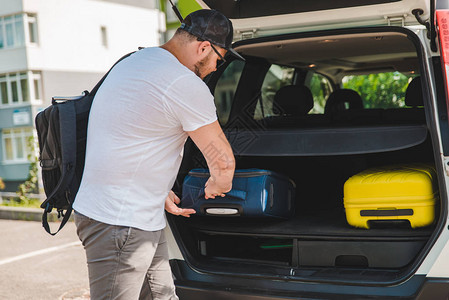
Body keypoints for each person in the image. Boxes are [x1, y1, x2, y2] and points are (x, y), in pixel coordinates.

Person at [72, 9, 242, 300]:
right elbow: (223, 163)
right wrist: (218, 185)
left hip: (128, 215)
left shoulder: (136, 61)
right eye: (219, 59)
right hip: (121, 223)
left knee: (162, 295)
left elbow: (128, 131)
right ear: (203, 47)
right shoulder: (184, 83)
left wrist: (158, 189)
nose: (216, 67)